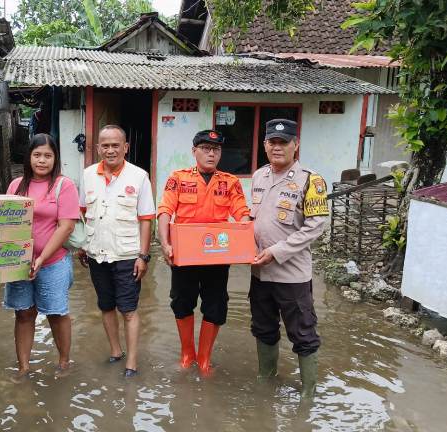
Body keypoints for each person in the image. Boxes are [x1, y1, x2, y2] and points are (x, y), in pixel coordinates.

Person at [157, 130, 250, 375]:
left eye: (216, 149)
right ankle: (188, 354)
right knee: (181, 301)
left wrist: (247, 235)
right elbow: (165, 210)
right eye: (206, 148)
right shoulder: (178, 178)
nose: (211, 153)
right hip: (185, 255)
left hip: (217, 254)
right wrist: (165, 243)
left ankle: (205, 358)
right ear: (194, 151)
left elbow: (242, 213)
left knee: (216, 304)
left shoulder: (230, 182)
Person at [249, 119, 329, 398]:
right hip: (260, 272)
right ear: (264, 145)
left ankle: (308, 393)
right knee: (263, 327)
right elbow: (253, 219)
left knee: (303, 334)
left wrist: (277, 252)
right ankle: (265, 378)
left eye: (283, 142)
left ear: (296, 145)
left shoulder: (311, 180)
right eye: (272, 142)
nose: (277, 147)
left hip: (292, 275)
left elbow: (316, 226)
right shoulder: (259, 176)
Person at [76, 125, 156, 377]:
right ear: (98, 148)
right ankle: (115, 351)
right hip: (96, 253)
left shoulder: (139, 176)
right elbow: (82, 213)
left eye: (115, 145)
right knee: (106, 306)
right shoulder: (88, 175)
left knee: (129, 310)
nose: (110, 150)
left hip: (127, 255)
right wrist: (82, 246)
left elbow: (145, 219)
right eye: (105, 145)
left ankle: (131, 362)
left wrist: (143, 256)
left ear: (125, 148)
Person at [4, 133, 79, 376]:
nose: (42, 160)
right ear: (29, 157)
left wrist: (41, 258)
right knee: (24, 313)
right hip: (20, 264)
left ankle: (64, 363)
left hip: (53, 262)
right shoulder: (16, 185)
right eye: (37, 155)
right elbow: (5, 223)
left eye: (48, 155)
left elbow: (66, 226)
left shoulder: (63, 185)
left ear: (55, 158)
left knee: (56, 313)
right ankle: (23, 368)